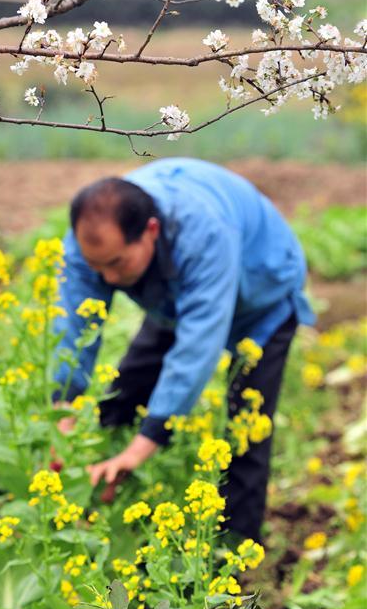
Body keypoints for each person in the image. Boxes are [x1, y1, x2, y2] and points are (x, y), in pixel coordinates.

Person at [52, 158, 315, 543]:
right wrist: (62, 414)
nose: (107, 279)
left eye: (116, 264)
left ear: (151, 230)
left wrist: (141, 450)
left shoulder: (203, 233)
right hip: (173, 298)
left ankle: (233, 556)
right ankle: (101, 498)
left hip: (264, 295)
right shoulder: (89, 241)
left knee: (245, 429)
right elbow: (74, 330)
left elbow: (197, 345)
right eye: (97, 267)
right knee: (123, 395)